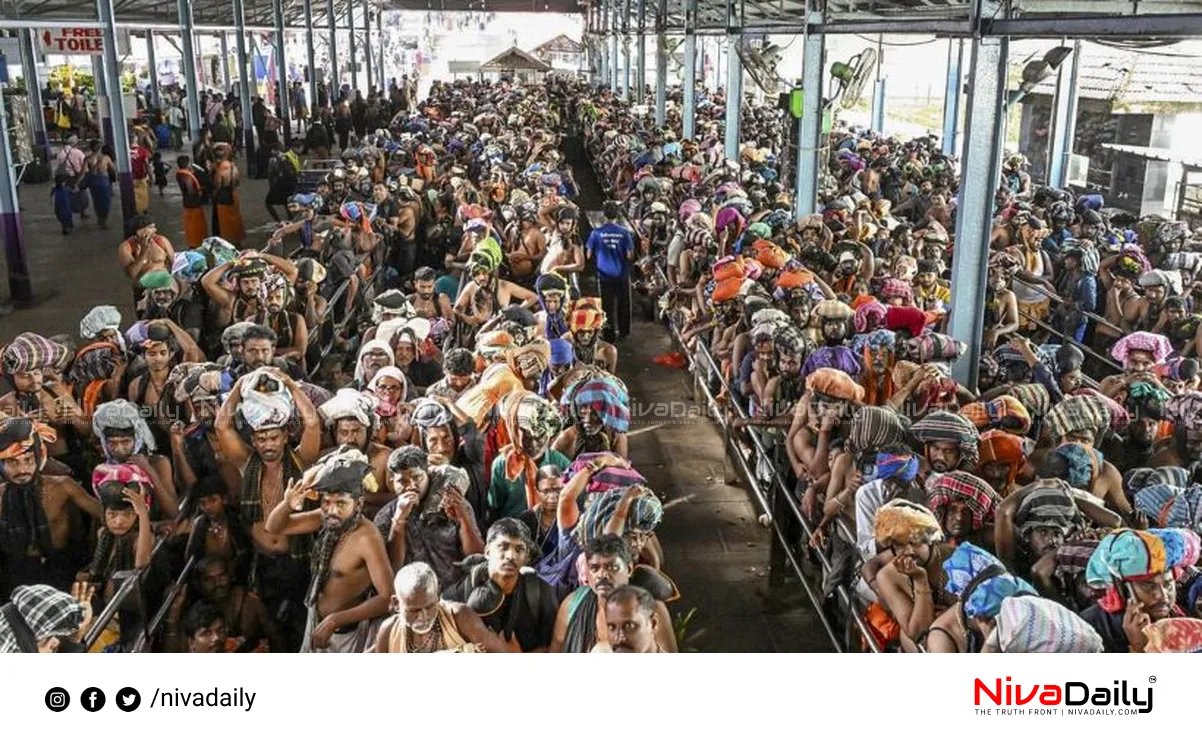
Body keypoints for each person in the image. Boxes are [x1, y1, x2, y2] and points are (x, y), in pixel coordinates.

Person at [265, 448, 394, 653]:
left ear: (358, 503)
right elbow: (274, 527)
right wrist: (287, 504)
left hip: (346, 634)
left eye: (341, 503)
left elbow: (389, 598)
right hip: (318, 621)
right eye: (326, 502)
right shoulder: (326, 518)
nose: (332, 510)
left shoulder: (367, 537)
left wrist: (336, 620)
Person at [373, 562, 509, 653]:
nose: (424, 617)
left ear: (438, 594)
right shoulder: (389, 632)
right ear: (396, 603)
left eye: (430, 606)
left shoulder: (459, 617)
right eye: (414, 610)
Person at [586, 200, 636, 342]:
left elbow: (588, 255)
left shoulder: (596, 233)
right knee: (623, 304)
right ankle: (624, 332)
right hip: (621, 275)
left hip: (604, 275)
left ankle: (609, 334)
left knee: (606, 305)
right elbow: (629, 255)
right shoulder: (625, 233)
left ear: (604, 214)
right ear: (617, 214)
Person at [211, 143, 246, 244]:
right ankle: (238, 241)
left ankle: (228, 242)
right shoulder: (233, 167)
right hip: (234, 196)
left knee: (225, 224)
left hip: (223, 199)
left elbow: (217, 186)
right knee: (235, 219)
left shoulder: (220, 170)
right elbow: (237, 182)